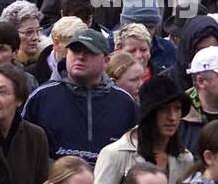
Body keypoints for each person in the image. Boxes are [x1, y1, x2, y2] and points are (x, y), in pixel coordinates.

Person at [21, 27, 137, 165]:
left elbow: (137, 154)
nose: (81, 57)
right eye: (75, 50)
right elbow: (23, 149)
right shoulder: (41, 97)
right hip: (55, 181)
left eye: (90, 52)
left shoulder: (124, 102)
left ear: (106, 61)